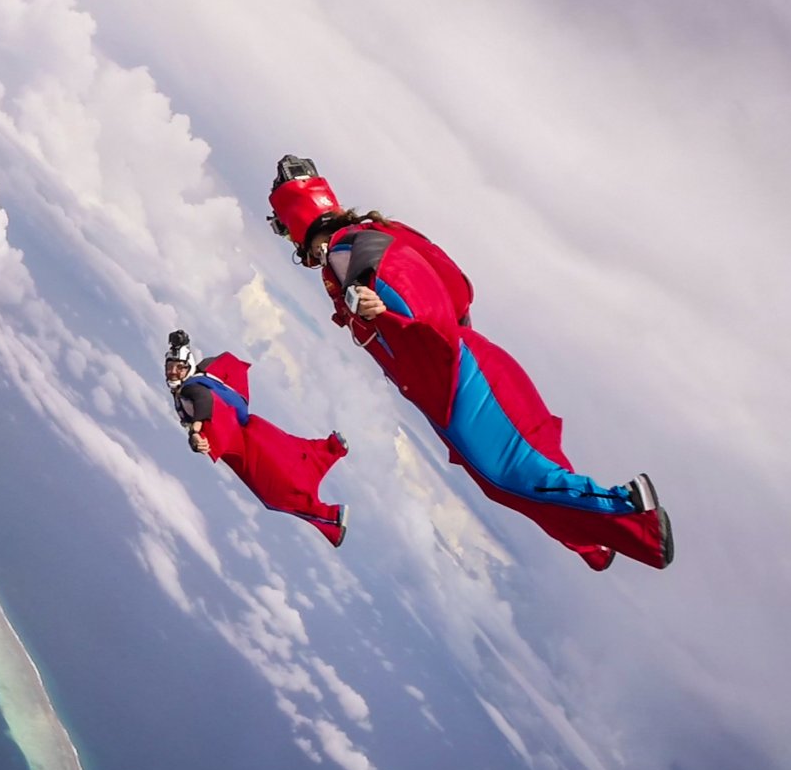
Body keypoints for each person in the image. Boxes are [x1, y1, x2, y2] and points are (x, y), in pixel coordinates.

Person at [265, 155, 672, 571]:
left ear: (299, 222)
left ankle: (630, 513)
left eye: (284, 229)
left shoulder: (349, 247)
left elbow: (404, 280)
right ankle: (595, 539)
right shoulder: (365, 240)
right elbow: (445, 282)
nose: (291, 243)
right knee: (516, 475)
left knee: (509, 474)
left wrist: (385, 308)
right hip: (457, 373)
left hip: (457, 374)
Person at [166, 331, 349, 547]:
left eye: (179, 368)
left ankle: (331, 518)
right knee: (294, 452)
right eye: (170, 367)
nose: (173, 373)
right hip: (255, 432)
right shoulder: (202, 374)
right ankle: (330, 450)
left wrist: (196, 432)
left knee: (279, 492)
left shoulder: (191, 388)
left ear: (188, 365)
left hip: (247, 449)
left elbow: (203, 399)